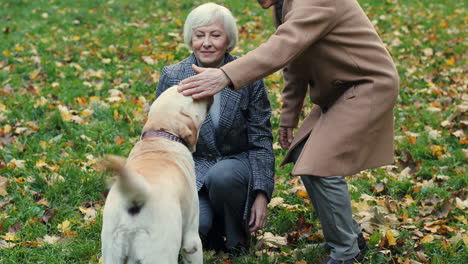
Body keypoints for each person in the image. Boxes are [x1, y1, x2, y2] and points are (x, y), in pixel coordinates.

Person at [178, 0, 400, 263]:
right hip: (339, 88)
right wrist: (288, 116)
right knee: (303, 154)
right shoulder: (284, 4)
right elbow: (297, 58)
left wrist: (226, 74)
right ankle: (350, 234)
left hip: (365, 84)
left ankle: (346, 253)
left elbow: (283, 46)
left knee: (320, 165)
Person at [155, 2, 275, 254]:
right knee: (195, 231)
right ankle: (211, 230)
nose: (206, 43)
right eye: (200, 35)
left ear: (228, 39)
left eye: (215, 35)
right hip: (193, 172)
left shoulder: (248, 76)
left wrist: (262, 194)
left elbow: (261, 139)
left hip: (234, 168)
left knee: (223, 175)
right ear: (191, 38)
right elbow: (161, 140)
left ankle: (236, 239)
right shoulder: (173, 76)